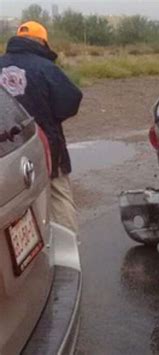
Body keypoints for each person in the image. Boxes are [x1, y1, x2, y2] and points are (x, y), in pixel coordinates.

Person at [0, 21, 83, 234]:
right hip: (46, 143)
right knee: (58, 195)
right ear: (42, 42)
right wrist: (49, 118)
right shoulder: (46, 68)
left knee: (15, 197)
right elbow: (71, 100)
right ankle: (67, 251)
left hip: (7, 147)